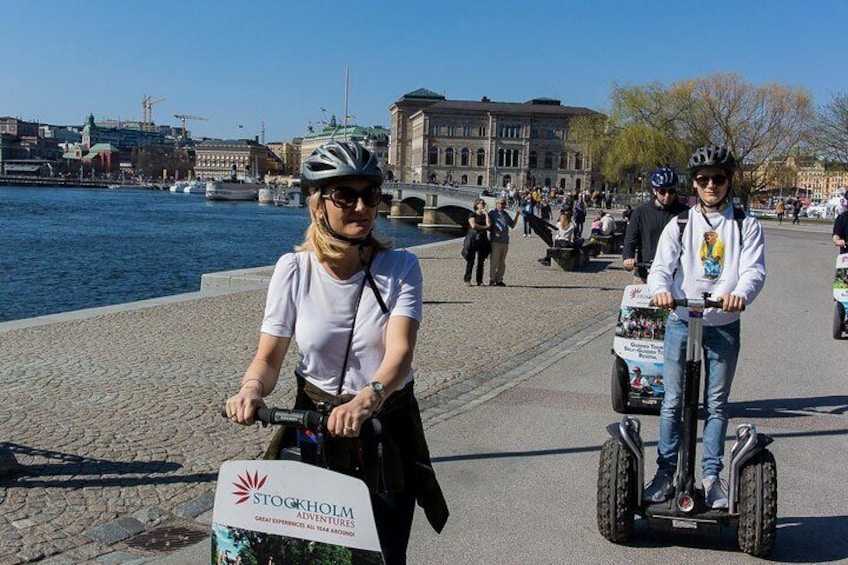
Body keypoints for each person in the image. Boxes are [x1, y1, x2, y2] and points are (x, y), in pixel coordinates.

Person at [224, 140, 448, 563]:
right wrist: (252, 390)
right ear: (317, 204)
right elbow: (269, 358)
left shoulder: (401, 268)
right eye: (345, 195)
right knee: (301, 552)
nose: (361, 207)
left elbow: (400, 353)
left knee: (380, 553)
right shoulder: (294, 270)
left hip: (382, 424)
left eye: (370, 195)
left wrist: (369, 397)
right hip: (313, 421)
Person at [645, 145, 766, 510]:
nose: (710, 184)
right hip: (683, 321)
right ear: (694, 184)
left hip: (723, 323)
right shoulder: (680, 223)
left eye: (718, 178)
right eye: (703, 179)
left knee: (716, 405)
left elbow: (754, 270)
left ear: (729, 182)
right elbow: (660, 269)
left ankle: (711, 477)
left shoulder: (746, 224)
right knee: (673, 402)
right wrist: (661, 291)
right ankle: (666, 473)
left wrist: (740, 294)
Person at [622, 166, 689, 283]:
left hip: (675, 276)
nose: (667, 195)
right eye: (662, 191)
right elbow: (630, 240)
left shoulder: (685, 213)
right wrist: (628, 257)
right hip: (645, 273)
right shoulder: (641, 212)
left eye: (671, 191)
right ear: (654, 190)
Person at [488, 197, 517, 286]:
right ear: (496, 204)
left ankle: (499, 279)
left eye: (503, 204)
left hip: (505, 240)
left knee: (502, 261)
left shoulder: (505, 214)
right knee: (494, 260)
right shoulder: (492, 213)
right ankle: (492, 279)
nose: (502, 205)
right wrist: (494, 231)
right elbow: (488, 225)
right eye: (500, 203)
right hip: (495, 240)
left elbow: (512, 225)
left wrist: (517, 215)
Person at [464, 198, 491, 285]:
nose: (483, 205)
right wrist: (484, 228)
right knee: (470, 260)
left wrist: (486, 214)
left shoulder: (484, 215)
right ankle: (467, 280)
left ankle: (479, 280)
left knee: (481, 261)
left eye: (484, 203)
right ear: (477, 205)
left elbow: (489, 225)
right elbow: (473, 225)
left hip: (483, 240)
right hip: (473, 239)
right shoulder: (472, 214)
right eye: (482, 203)